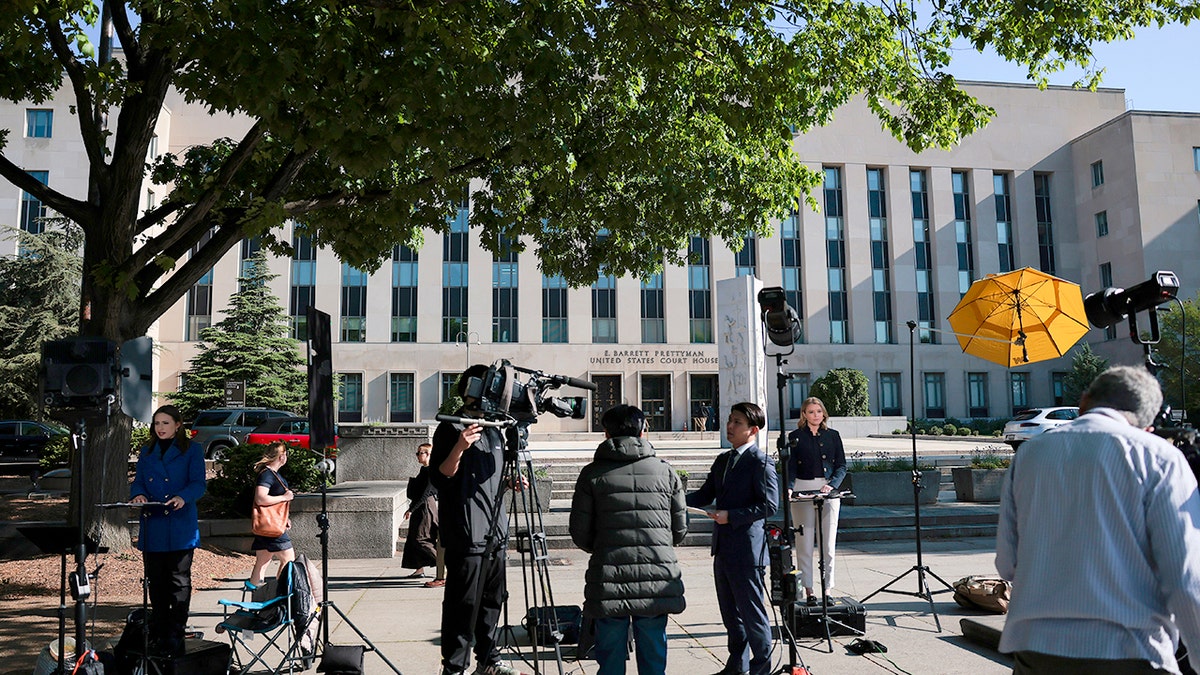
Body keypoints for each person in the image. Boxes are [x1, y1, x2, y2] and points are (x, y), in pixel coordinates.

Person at [996, 365, 1200, 674]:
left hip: (1035, 649)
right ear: (1146, 425)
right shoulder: (1159, 457)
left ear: (1083, 401)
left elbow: (1008, 563)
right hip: (1129, 650)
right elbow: (1184, 578)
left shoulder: (1029, 454)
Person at [569, 404, 687, 675]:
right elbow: (679, 529)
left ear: (606, 433)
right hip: (657, 574)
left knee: (609, 656)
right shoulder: (665, 471)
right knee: (654, 655)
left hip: (609, 574)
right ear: (643, 431)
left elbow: (579, 531)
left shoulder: (592, 474)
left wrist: (604, 547)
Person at [429, 364, 523, 675]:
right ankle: (454, 667)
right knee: (462, 605)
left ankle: (489, 661)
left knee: (492, 602)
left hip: (496, 533)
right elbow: (441, 477)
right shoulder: (451, 428)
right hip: (466, 534)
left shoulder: (495, 429)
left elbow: (490, 478)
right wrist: (459, 447)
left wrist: (511, 482)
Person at [686, 401, 779, 675]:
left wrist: (732, 515)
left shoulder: (760, 462)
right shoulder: (723, 460)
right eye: (729, 420)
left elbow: (770, 505)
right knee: (731, 616)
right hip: (723, 547)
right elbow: (704, 495)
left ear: (753, 429)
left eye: (737, 422)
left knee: (752, 615)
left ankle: (761, 667)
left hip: (747, 550)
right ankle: (737, 666)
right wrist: (673, 498)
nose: (730, 426)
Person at [129, 404, 207, 657]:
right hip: (154, 525)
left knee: (179, 580)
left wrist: (183, 497)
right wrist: (138, 494)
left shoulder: (192, 451)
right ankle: (161, 632)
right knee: (156, 581)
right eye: (156, 423)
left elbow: (198, 483)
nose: (160, 428)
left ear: (177, 425)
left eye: (165, 423)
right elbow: (139, 480)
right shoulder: (147, 451)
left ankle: (176, 632)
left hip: (180, 524)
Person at [786, 396, 846, 606]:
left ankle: (827, 589)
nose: (815, 416)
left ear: (824, 414)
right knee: (804, 543)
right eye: (811, 412)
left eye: (818, 412)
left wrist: (832, 485)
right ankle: (809, 590)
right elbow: (790, 466)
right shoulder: (795, 436)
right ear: (804, 414)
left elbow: (841, 466)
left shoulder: (833, 436)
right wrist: (789, 486)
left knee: (828, 545)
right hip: (802, 488)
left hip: (828, 490)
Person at [248, 441, 296, 587]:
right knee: (288, 559)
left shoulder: (270, 474)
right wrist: (284, 497)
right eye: (285, 454)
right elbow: (261, 498)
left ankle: (256, 595)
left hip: (268, 524)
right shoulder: (267, 475)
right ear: (281, 457)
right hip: (272, 528)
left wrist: (285, 518)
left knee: (262, 561)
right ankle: (280, 593)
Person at [403, 442, 439, 579]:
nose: (417, 455)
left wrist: (411, 509)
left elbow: (425, 493)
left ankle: (444, 565)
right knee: (413, 538)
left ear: (429, 454)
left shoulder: (431, 471)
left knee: (421, 539)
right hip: (421, 506)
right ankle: (419, 569)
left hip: (425, 507)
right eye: (417, 453)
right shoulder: (424, 470)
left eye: (420, 453)